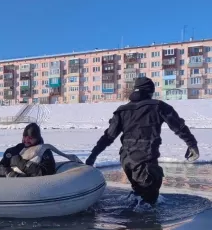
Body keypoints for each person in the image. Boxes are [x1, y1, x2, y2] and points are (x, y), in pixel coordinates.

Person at [85, 77, 199, 205]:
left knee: (139, 195)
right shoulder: (159, 106)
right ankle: (144, 223)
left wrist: (93, 155)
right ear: (150, 91)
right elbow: (179, 127)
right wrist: (192, 144)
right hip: (145, 160)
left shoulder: (122, 110)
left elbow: (108, 136)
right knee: (148, 202)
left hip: (126, 159)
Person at [0, 123, 81, 177]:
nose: (26, 140)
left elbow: (46, 172)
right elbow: (0, 167)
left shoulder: (44, 152)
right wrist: (8, 172)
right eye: (24, 137)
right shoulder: (16, 149)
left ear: (37, 138)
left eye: (30, 138)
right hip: (8, 185)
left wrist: (20, 162)